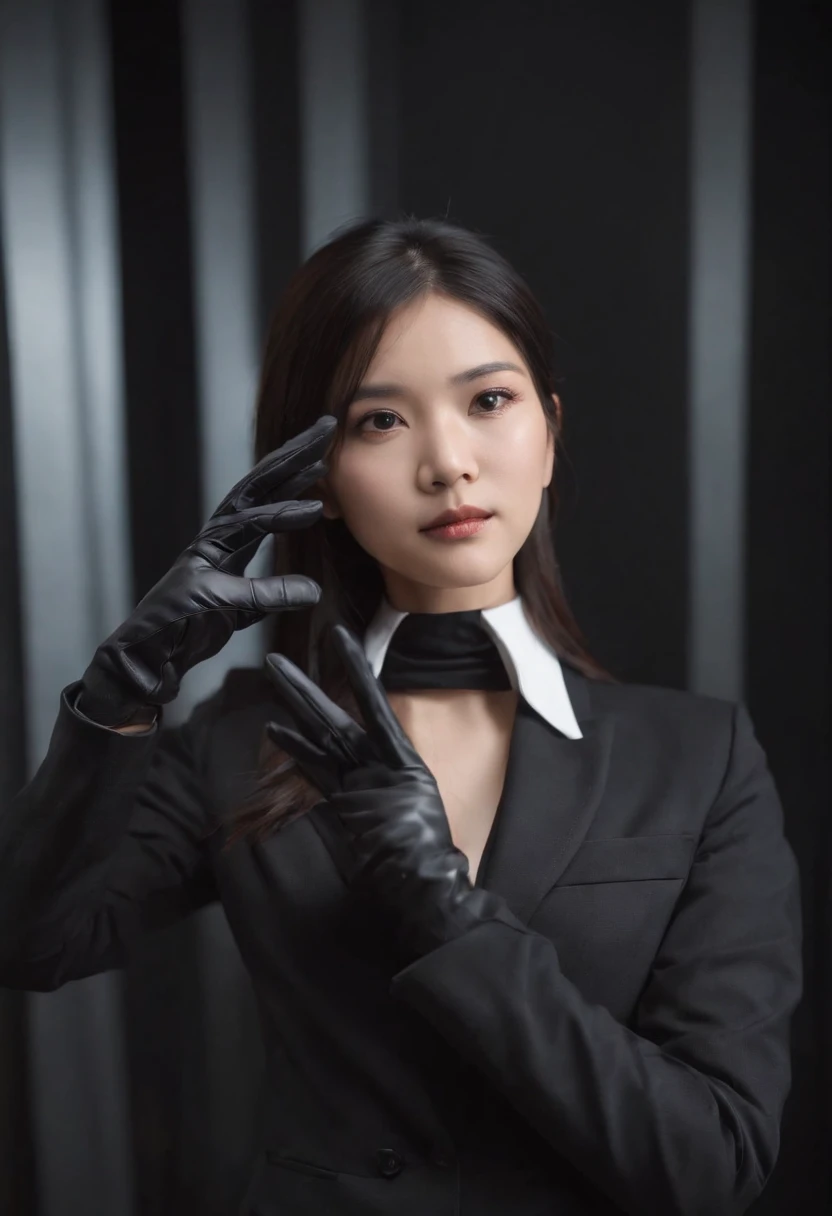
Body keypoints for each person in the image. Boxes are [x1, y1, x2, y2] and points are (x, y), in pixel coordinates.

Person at [0, 216, 803, 1216]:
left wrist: (447, 912)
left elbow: (711, 1163)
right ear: (320, 478)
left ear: (548, 432)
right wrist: (119, 695)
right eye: (380, 421)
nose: (448, 463)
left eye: (489, 401)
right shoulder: (241, 734)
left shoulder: (699, 757)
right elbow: (31, 942)